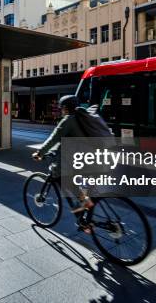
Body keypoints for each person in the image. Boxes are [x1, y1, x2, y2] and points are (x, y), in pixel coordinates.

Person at [31, 95, 94, 232]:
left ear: (65, 108)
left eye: (62, 108)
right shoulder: (82, 116)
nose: (61, 111)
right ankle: (83, 215)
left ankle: (83, 214)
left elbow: (54, 138)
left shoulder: (68, 120)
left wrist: (40, 153)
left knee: (61, 178)